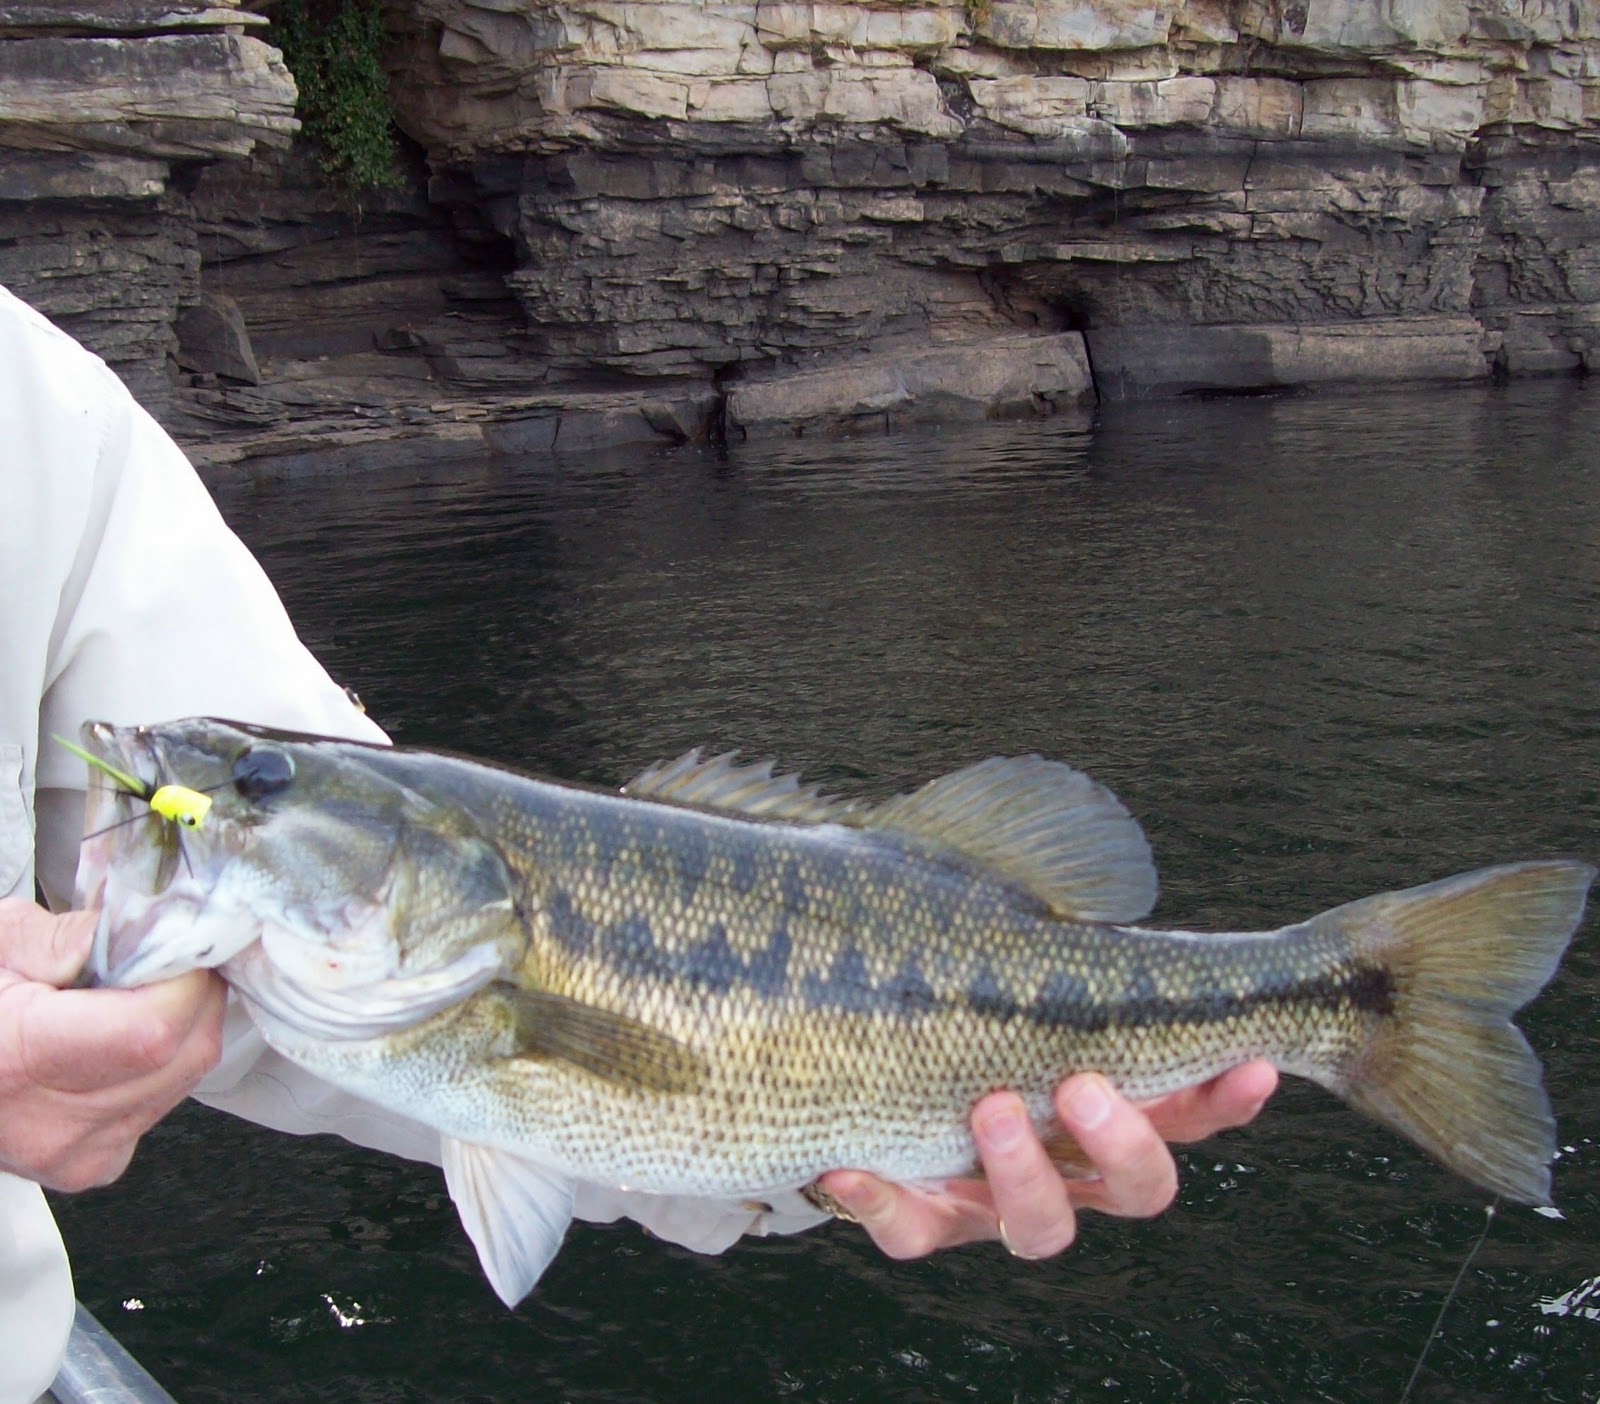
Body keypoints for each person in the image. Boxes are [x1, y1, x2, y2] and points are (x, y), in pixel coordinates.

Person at [0, 283, 1277, 1400]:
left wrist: (830, 1172)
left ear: (461, 887)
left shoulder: (44, 421)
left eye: (261, 786)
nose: (182, 786)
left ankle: (1332, 994)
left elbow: (386, 1030)